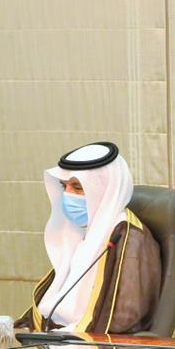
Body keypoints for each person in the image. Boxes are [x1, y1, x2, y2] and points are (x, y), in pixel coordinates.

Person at [17, 142, 161, 334]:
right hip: (54, 340)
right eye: (64, 186)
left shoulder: (128, 239)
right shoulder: (83, 234)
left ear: (104, 190)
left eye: (77, 187)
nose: (67, 195)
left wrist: (63, 337)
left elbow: (123, 321)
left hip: (87, 346)